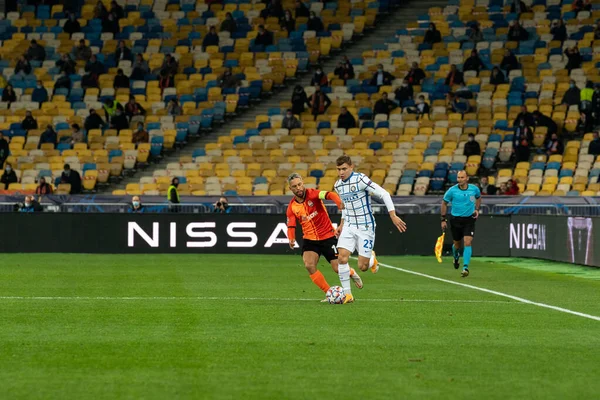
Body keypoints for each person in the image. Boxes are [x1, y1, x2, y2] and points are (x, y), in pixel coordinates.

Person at [333, 155, 407, 304]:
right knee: (341, 258)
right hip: (349, 225)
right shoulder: (338, 185)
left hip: (365, 225)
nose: (341, 172)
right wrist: (341, 224)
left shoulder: (360, 179)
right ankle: (348, 295)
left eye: (344, 169)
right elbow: (345, 206)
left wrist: (392, 215)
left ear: (351, 167)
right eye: (339, 169)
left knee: (363, 267)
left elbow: (384, 194)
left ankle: (371, 258)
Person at [286, 173, 363, 299]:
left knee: (338, 268)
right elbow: (291, 224)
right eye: (294, 186)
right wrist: (291, 237)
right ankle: (329, 293)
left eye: (299, 184)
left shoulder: (314, 194)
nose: (298, 188)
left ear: (303, 183)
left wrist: (339, 203)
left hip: (328, 236)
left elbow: (329, 194)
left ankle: (351, 272)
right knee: (309, 265)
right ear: (291, 189)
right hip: (310, 240)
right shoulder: (292, 207)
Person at [441, 170, 481, 278]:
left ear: (467, 178)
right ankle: (456, 257)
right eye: (458, 178)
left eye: (462, 177)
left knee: (467, 242)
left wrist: (477, 209)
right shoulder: (452, 191)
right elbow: (444, 203)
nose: (460, 180)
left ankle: (465, 268)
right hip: (455, 220)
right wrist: (443, 219)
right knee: (457, 245)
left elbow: (478, 197)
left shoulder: (474, 189)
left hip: (469, 220)